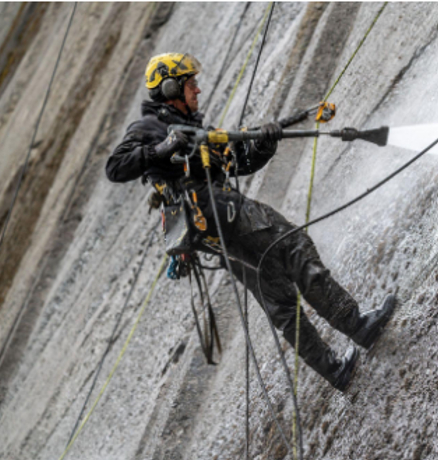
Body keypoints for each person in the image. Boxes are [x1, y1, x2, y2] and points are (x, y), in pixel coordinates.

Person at [105, 53, 396, 391]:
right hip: (216, 210)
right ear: (171, 88)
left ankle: (335, 371)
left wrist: (264, 143)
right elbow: (115, 167)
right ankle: (358, 325)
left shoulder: (197, 130)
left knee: (277, 294)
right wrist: (164, 146)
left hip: (213, 230)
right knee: (293, 246)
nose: (197, 89)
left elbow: (237, 163)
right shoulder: (149, 128)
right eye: (190, 84)